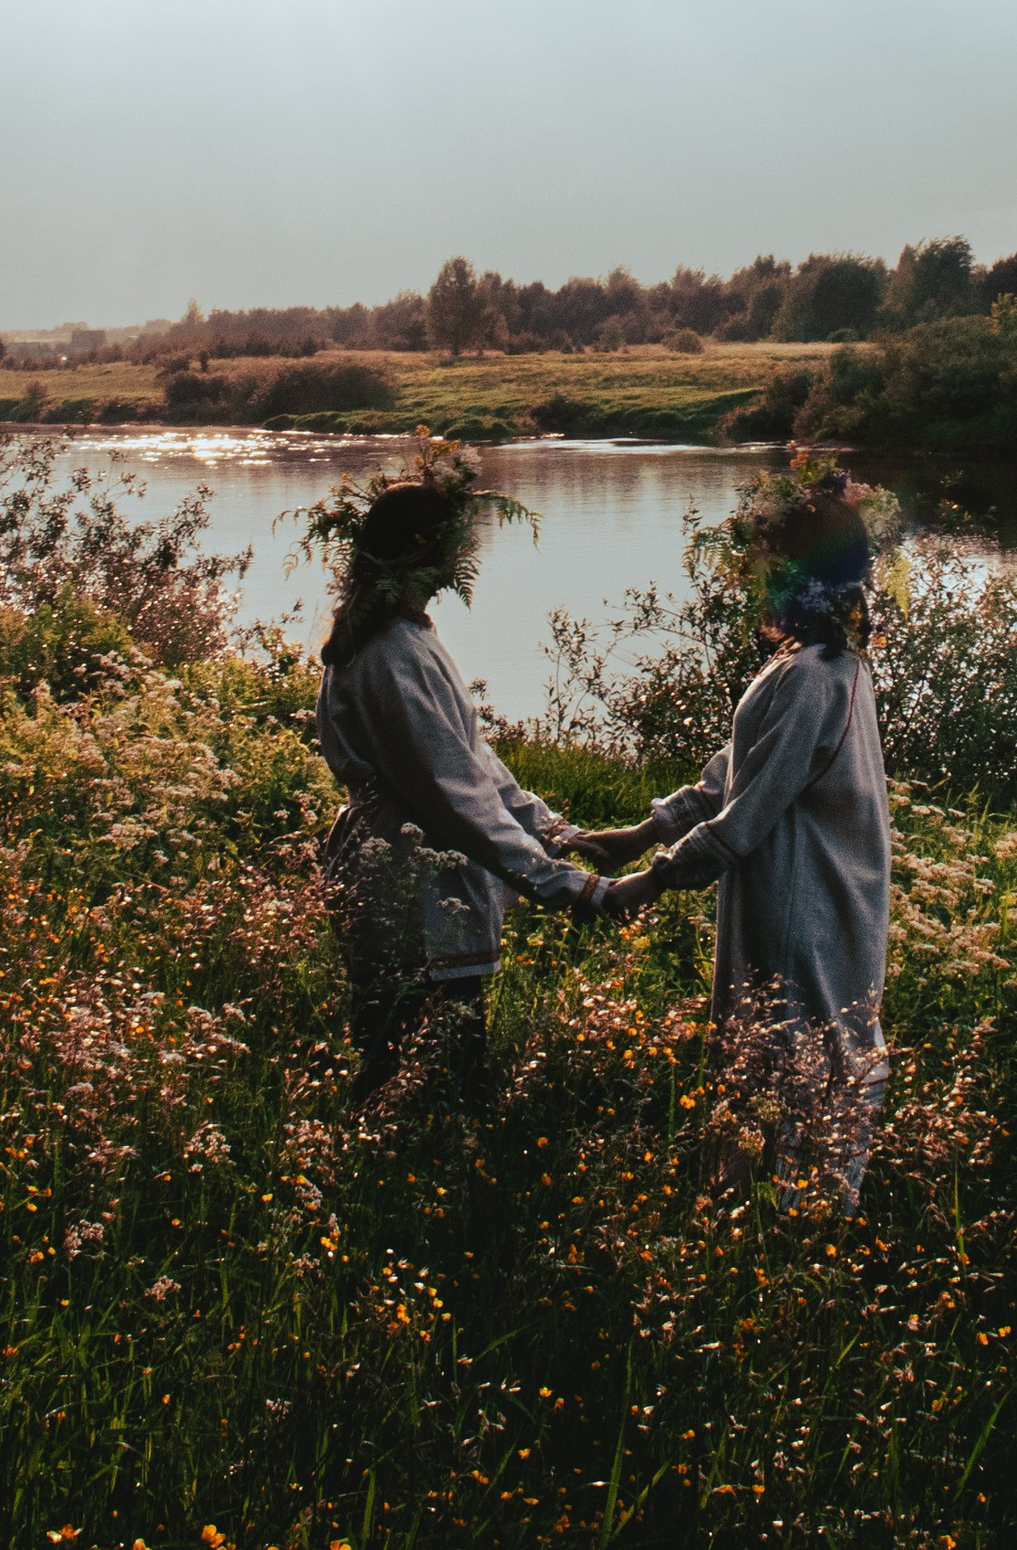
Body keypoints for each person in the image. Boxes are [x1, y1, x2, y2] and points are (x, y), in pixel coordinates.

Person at [574, 460, 893, 1199]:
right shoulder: (813, 665)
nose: (748, 578)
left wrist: (643, 885)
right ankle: (747, 1213)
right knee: (772, 1056)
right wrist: (643, 831)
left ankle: (800, 1222)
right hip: (789, 895)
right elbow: (735, 768)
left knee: (797, 1054)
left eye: (760, 563)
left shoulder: (817, 675)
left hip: (802, 902)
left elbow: (747, 814)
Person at [304, 442, 605, 1102]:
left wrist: (553, 831)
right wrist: (562, 885)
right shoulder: (391, 656)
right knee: (417, 1065)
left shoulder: (405, 638)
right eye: (452, 548)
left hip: (415, 872)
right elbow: (450, 795)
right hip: (409, 880)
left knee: (423, 1053)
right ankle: (402, 1182)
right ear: (421, 553)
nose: (460, 564)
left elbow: (469, 762)